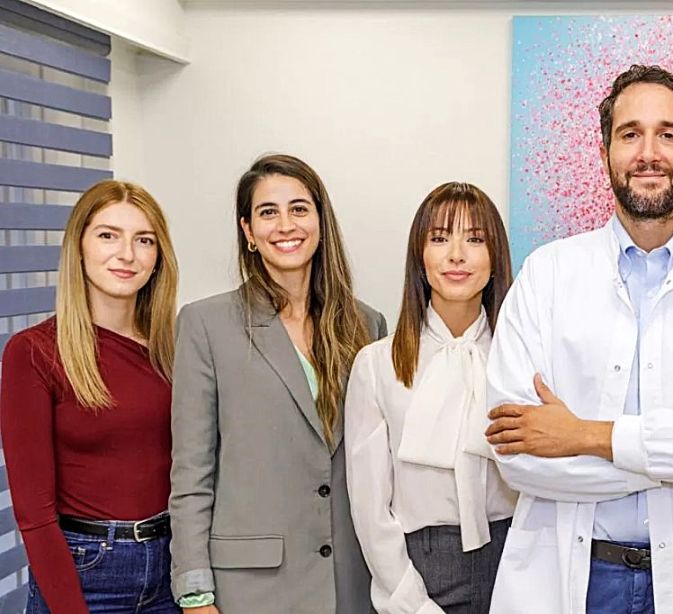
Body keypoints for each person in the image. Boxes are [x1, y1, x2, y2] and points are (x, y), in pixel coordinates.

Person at [483, 64, 673, 614]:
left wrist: (579, 434)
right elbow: (518, 458)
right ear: (605, 152)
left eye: (668, 134)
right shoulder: (546, 274)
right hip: (576, 580)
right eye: (631, 134)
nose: (648, 152)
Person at [169, 154, 387, 613]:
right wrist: (194, 593)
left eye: (299, 208)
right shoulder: (205, 324)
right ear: (248, 232)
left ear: (321, 223)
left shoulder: (367, 325)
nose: (286, 224)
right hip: (250, 588)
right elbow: (191, 473)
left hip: (351, 581)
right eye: (268, 212)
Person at [0, 180, 179, 613]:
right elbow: (35, 514)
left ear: (158, 258)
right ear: (78, 248)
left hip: (174, 567)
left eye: (144, 240)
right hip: (86, 573)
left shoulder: (177, 349)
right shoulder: (34, 351)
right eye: (107, 235)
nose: (127, 254)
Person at [345, 182, 518, 614]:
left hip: (518, 557)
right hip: (419, 569)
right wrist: (411, 603)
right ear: (419, 258)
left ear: (495, 256)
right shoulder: (377, 364)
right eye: (440, 238)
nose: (456, 255)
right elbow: (370, 508)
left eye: (475, 239)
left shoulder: (522, 359)